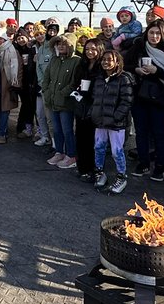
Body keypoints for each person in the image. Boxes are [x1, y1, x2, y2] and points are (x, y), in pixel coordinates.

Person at [124, 20, 164, 181]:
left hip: (160, 98)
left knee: (159, 132)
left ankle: (160, 167)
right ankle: (143, 163)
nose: (154, 36)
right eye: (151, 33)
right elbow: (124, 65)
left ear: (163, 35)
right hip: (139, 96)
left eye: (157, 33)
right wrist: (136, 69)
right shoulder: (138, 47)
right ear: (146, 33)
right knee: (141, 133)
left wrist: (157, 71)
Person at [90, 49, 134, 193]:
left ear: (117, 62)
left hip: (117, 123)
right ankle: (99, 172)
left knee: (117, 151)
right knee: (99, 147)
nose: (106, 62)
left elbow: (126, 101)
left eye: (110, 59)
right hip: (100, 121)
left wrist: (117, 117)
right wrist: (93, 114)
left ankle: (121, 176)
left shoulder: (124, 78)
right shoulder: (99, 78)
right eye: (104, 59)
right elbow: (95, 98)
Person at [41, 35, 81, 169]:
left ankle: (71, 155)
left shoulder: (76, 61)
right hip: (52, 101)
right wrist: (46, 91)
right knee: (56, 129)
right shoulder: (54, 60)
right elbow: (46, 78)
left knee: (67, 130)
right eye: (58, 44)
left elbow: (75, 82)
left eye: (64, 43)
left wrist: (63, 93)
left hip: (66, 102)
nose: (61, 46)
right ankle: (59, 152)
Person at [71, 38, 105, 178]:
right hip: (82, 105)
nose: (90, 52)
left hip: (95, 106)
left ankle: (94, 169)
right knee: (81, 137)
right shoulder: (82, 65)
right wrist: (77, 91)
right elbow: (75, 82)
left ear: (100, 50)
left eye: (93, 49)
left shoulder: (102, 66)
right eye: (87, 49)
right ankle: (82, 167)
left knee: (93, 140)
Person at [0, 29, 20, 143]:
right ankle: (2, 129)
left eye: (0, 39)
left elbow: (18, 69)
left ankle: (1, 133)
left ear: (5, 39)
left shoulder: (12, 51)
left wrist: (15, 84)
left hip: (8, 84)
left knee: (5, 109)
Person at [12, 29, 38, 140]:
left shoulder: (32, 49)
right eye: (18, 38)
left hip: (32, 81)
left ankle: (36, 129)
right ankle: (25, 127)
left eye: (22, 37)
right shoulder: (16, 50)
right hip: (22, 82)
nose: (21, 40)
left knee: (34, 107)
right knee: (26, 105)